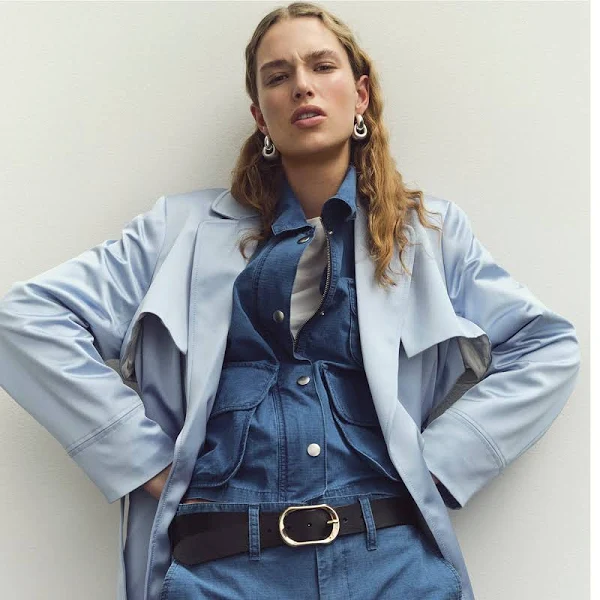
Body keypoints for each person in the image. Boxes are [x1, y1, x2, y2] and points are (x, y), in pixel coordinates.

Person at [0, 2, 581, 600]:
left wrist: (439, 465)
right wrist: (142, 460)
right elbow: (25, 319)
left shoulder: (427, 234)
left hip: (394, 566)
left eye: (322, 66)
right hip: (221, 573)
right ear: (260, 114)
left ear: (360, 95)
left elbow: (547, 347)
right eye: (278, 76)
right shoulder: (178, 231)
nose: (302, 85)